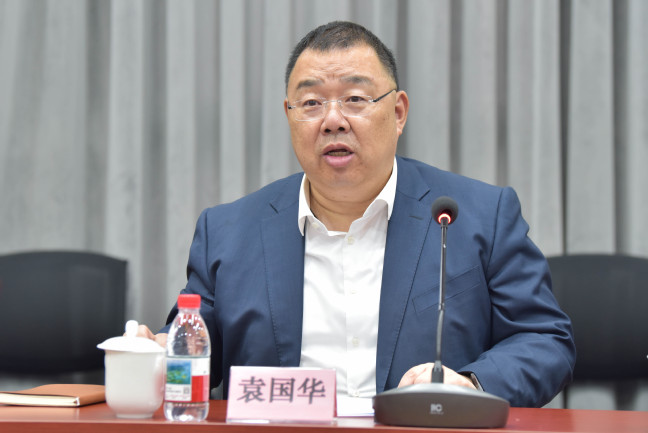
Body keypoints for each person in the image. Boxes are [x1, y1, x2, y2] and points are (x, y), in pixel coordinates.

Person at [138, 20, 575, 407]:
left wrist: (470, 384)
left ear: (398, 112)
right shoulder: (228, 231)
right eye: (311, 103)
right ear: (289, 116)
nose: (333, 120)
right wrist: (157, 354)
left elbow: (543, 339)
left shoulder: (477, 216)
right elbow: (192, 347)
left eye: (354, 98)